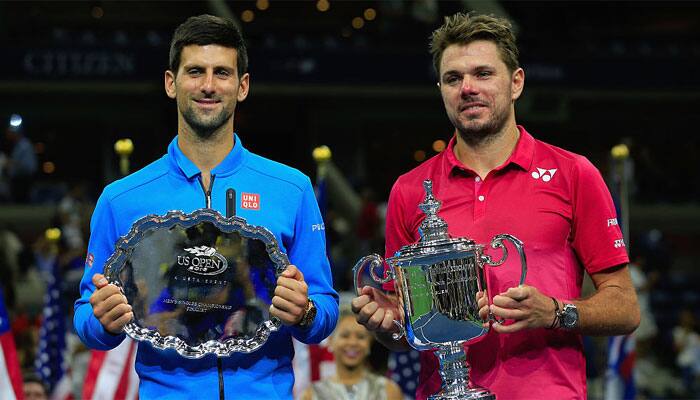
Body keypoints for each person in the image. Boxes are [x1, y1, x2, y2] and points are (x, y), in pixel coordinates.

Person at [351, 12, 640, 399]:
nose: (468, 88)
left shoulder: (573, 173)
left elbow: (625, 307)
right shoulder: (410, 190)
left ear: (516, 82)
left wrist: (555, 312)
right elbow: (408, 336)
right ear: (441, 89)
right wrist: (387, 325)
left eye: (483, 74)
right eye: (453, 78)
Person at [73, 15, 338, 399]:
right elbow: (85, 314)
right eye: (195, 71)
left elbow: (324, 305)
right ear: (171, 82)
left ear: (242, 86)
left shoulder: (291, 189)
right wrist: (103, 321)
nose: (209, 86)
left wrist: (306, 313)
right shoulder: (122, 198)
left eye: (222, 73)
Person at [300, 307, 402, 400]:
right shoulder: (312, 395)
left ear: (369, 343)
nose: (353, 343)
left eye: (360, 336)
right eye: (345, 335)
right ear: (331, 341)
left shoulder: (388, 391)